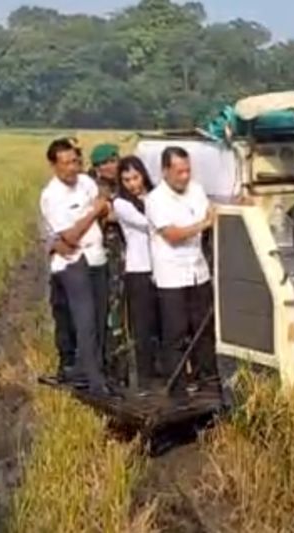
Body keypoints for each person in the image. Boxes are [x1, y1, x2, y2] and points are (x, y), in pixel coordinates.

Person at [40, 138, 110, 394]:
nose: (73, 168)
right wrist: (93, 212)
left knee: (101, 318)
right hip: (72, 262)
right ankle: (94, 382)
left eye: (76, 161)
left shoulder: (86, 183)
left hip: (96, 257)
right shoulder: (52, 196)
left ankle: (95, 370)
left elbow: (103, 206)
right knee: (85, 321)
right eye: (67, 163)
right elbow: (69, 236)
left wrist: (100, 209)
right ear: (53, 165)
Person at [145, 146, 218, 394]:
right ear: (165, 171)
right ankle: (177, 386)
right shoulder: (156, 199)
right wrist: (203, 224)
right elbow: (173, 235)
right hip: (172, 276)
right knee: (175, 334)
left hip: (198, 271)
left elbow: (211, 211)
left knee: (203, 330)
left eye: (187, 171)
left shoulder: (196, 190)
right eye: (179, 172)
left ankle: (207, 380)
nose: (185, 177)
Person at [112, 156, 161, 392]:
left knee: (161, 325)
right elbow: (150, 224)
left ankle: (162, 372)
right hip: (138, 269)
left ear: (143, 175)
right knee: (142, 327)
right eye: (127, 180)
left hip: (161, 269)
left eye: (136, 177)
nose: (133, 184)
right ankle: (145, 378)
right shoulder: (121, 204)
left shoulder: (154, 197)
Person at [89, 143, 130, 385]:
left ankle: (121, 368)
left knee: (125, 312)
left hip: (126, 257)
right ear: (96, 167)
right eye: (105, 162)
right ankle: (110, 369)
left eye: (114, 160)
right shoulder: (94, 190)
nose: (111, 166)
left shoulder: (123, 185)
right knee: (110, 312)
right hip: (105, 257)